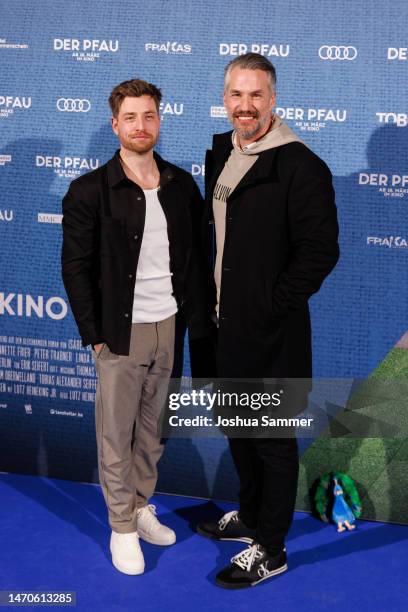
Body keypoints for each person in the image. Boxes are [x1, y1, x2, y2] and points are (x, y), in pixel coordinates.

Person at [197, 53, 339, 588]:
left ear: (273, 100)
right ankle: (252, 517)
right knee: (238, 429)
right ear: (225, 97)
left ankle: (272, 549)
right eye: (236, 94)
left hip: (271, 334)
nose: (245, 106)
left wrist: (269, 305)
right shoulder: (221, 153)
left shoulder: (301, 165)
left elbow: (320, 252)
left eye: (256, 95)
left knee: (272, 440)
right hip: (219, 328)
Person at [61, 78, 207, 576]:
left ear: (159, 121)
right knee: (115, 434)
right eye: (130, 118)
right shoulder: (89, 191)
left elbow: (195, 258)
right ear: (115, 124)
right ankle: (121, 526)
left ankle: (141, 506)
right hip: (119, 334)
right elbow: (75, 268)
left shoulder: (182, 185)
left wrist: (191, 319)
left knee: (153, 431)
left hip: (171, 325)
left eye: (149, 116)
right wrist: (94, 334)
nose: (140, 126)